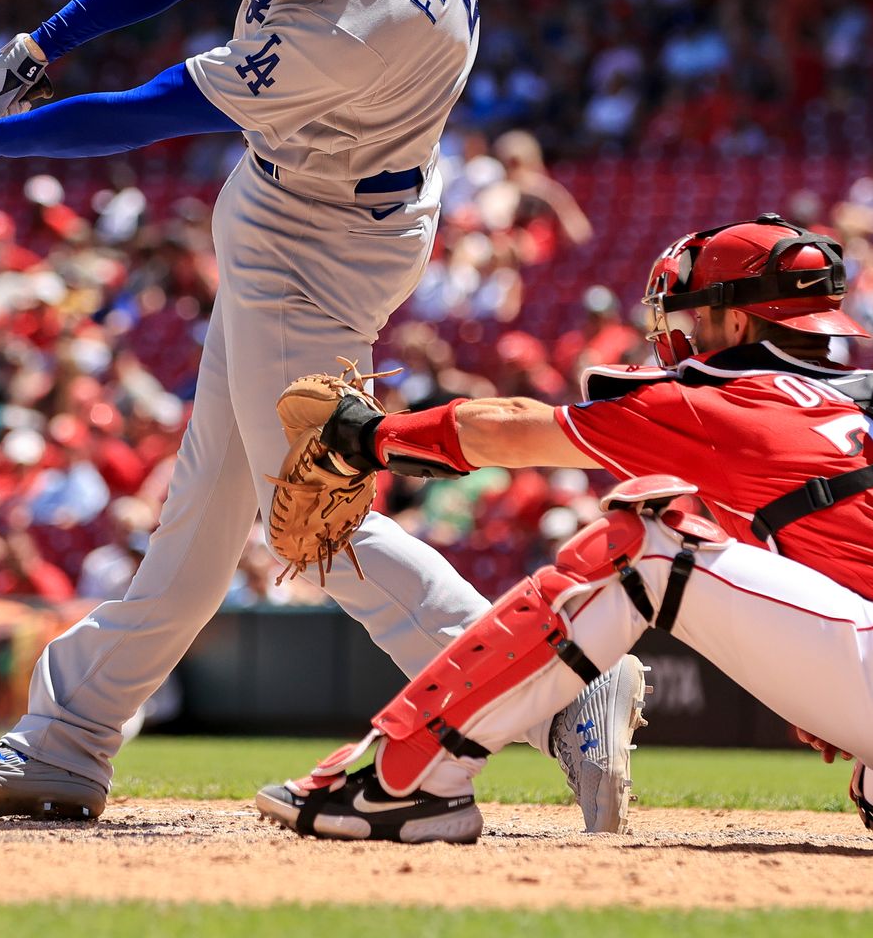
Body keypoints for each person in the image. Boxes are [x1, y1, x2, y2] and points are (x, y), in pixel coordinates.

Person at [0, 0, 641, 829]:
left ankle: (555, 686)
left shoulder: (357, 28)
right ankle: (66, 742)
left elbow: (149, 113)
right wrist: (43, 43)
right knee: (206, 511)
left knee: (313, 519)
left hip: (319, 243)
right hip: (312, 205)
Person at [255, 215, 873, 842]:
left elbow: (507, 427)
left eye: (697, 317)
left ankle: (412, 779)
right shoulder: (854, 403)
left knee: (651, 545)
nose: (688, 334)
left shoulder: (724, 401)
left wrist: (367, 436)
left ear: (736, 321)